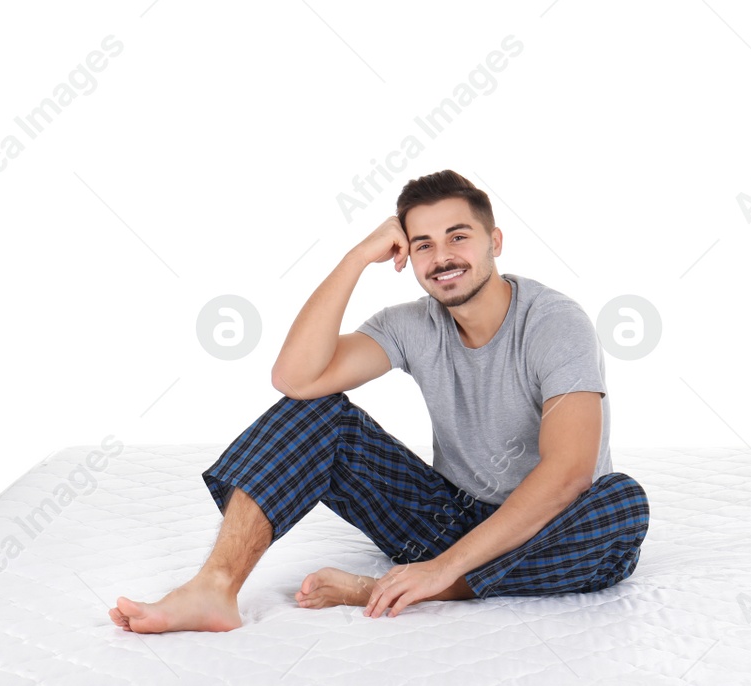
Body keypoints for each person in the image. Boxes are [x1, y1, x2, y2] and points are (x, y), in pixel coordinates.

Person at [109, 169, 649, 634]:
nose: (442, 258)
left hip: (552, 527)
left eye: (458, 237)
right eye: (423, 245)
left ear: (495, 242)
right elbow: (295, 378)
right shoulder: (414, 324)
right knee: (317, 412)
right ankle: (214, 587)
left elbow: (570, 473)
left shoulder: (555, 323)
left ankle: (391, 588)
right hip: (447, 519)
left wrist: (440, 570)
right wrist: (356, 258)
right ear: (407, 254)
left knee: (622, 506)